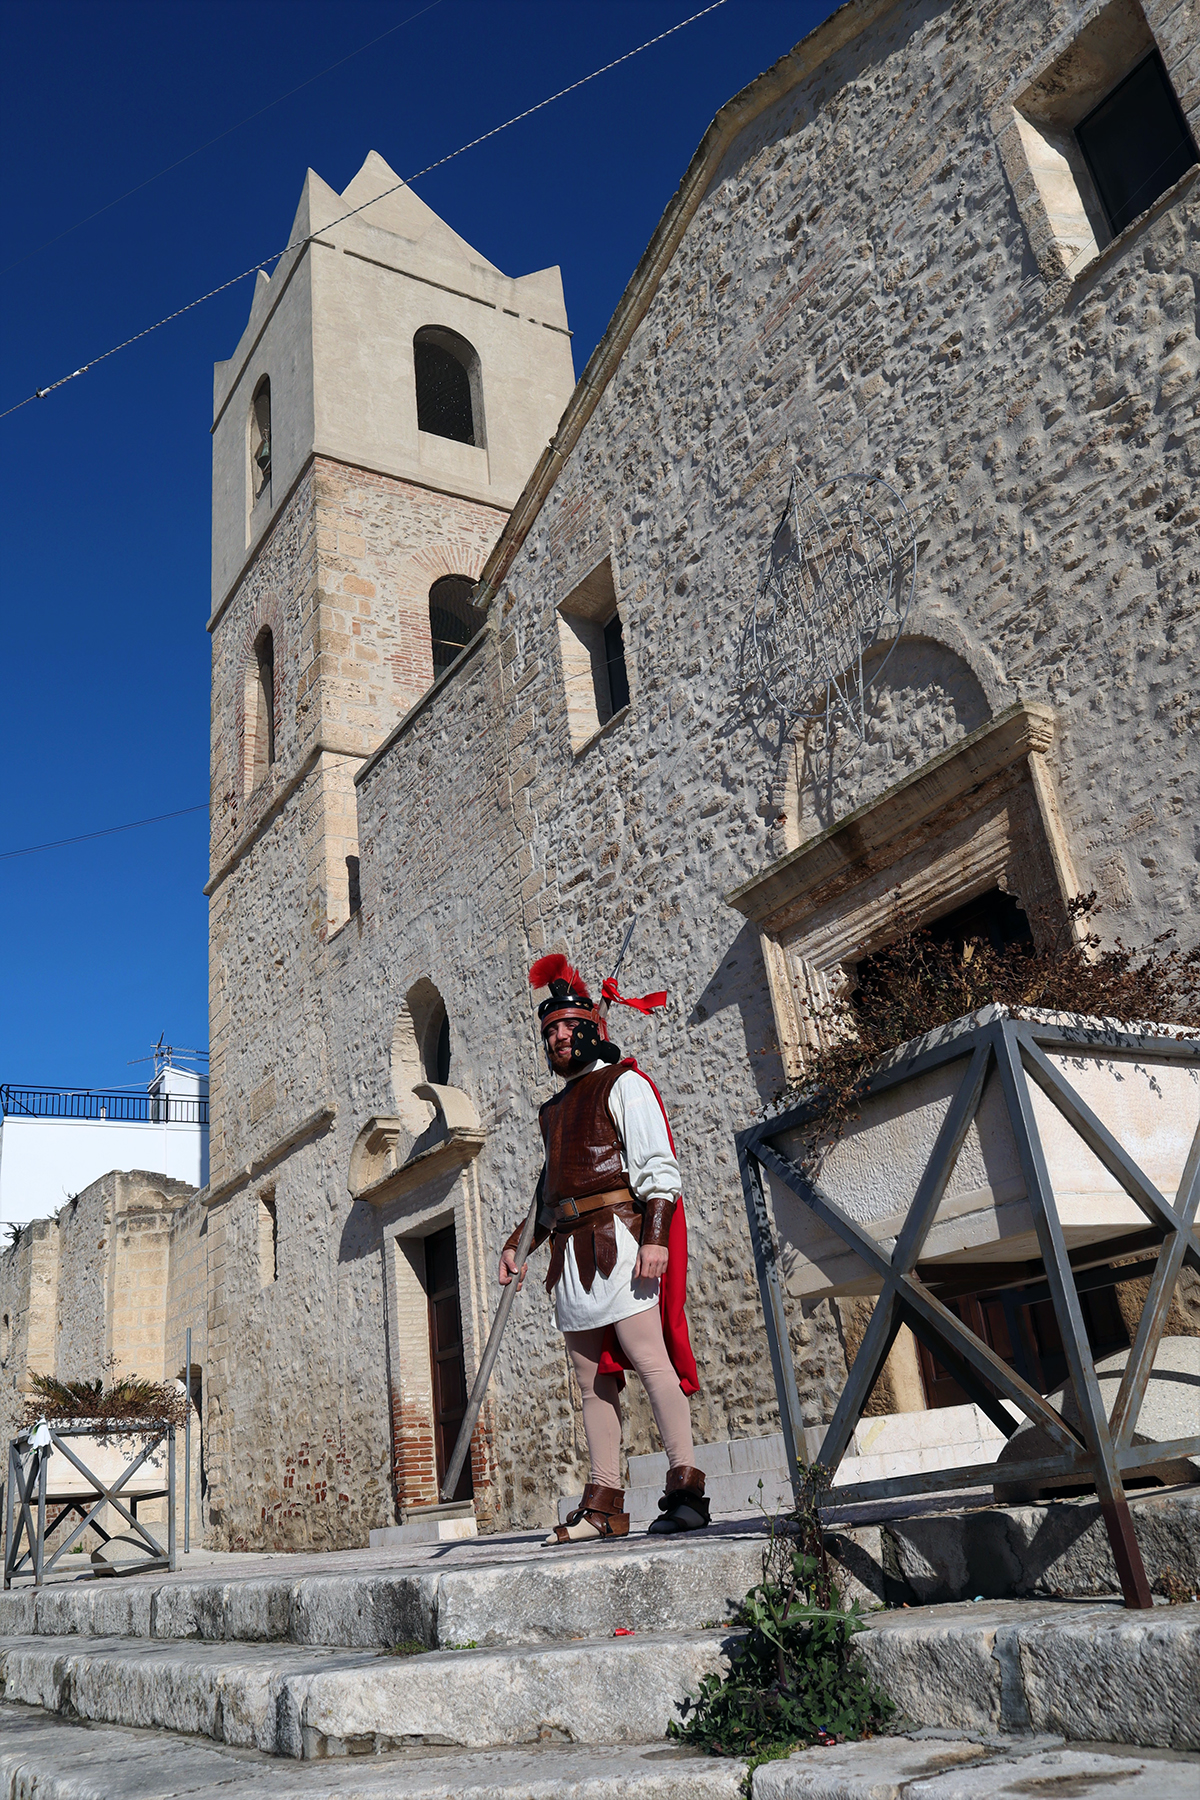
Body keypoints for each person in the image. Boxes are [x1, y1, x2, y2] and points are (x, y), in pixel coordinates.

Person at [499, 954, 708, 1544]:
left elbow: (659, 1171)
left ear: (592, 1026)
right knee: (589, 1378)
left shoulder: (626, 1085)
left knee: (647, 1357)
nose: (558, 1037)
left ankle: (686, 1488)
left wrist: (656, 1238)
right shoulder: (554, 1109)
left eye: (566, 1026)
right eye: (548, 1031)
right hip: (569, 1251)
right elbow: (550, 1191)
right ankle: (605, 1503)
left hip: (620, 1240)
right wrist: (521, 1244)